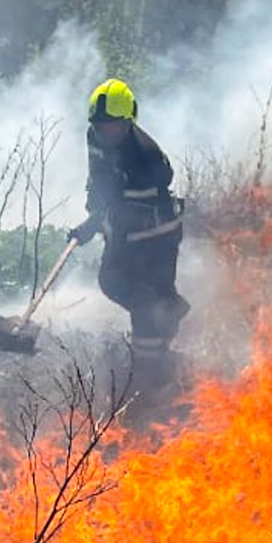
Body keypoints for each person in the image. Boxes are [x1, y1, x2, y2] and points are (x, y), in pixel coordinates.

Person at [69, 79, 190, 387]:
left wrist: (95, 223)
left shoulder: (148, 158)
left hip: (158, 237)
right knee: (116, 284)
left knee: (145, 300)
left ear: (127, 122)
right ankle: (160, 349)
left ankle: (149, 374)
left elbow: (123, 203)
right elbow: (101, 181)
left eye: (111, 126)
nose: (104, 132)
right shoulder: (94, 136)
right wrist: (95, 207)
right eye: (99, 125)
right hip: (125, 234)